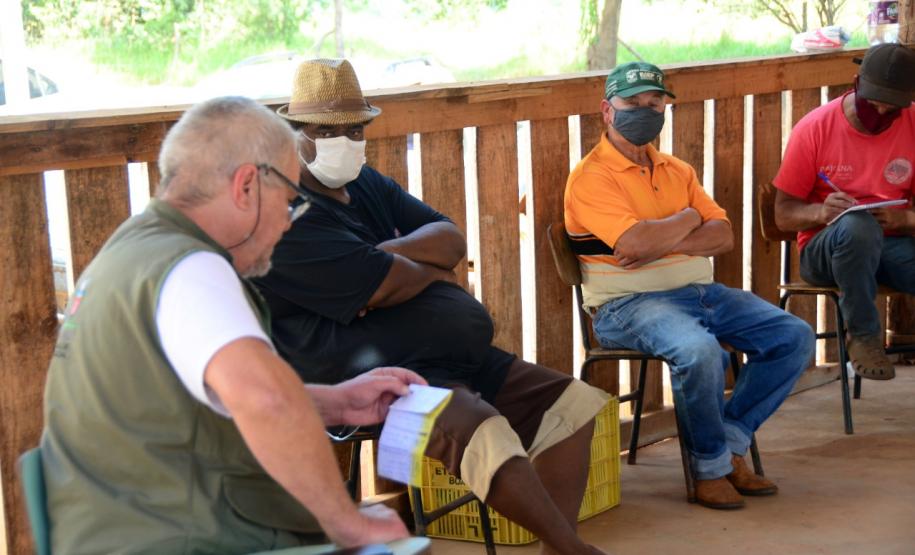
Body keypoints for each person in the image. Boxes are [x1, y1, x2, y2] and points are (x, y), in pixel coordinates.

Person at [40, 96, 427, 554]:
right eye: (289, 203)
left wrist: (337, 402)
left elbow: (206, 402)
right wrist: (348, 524)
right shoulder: (192, 269)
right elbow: (265, 401)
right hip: (174, 538)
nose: (288, 225)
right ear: (246, 187)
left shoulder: (135, 251)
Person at [253, 58, 609, 555]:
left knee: (572, 405)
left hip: (440, 356)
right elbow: (381, 287)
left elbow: (449, 238)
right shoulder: (288, 213)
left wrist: (385, 260)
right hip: (364, 379)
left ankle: (557, 547)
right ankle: (571, 549)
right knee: (481, 430)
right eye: (327, 129)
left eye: (355, 128)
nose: (347, 139)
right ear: (295, 134)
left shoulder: (366, 184)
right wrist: (428, 273)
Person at [563, 61, 816, 510]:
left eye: (654, 102)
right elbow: (633, 243)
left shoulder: (677, 169)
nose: (645, 110)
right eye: (632, 103)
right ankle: (710, 470)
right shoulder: (591, 177)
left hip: (702, 295)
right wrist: (688, 218)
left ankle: (730, 442)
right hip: (627, 304)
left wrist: (661, 235)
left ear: (664, 107)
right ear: (607, 111)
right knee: (700, 352)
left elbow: (724, 236)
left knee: (792, 337)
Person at [773, 43, 915, 381]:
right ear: (855, 83)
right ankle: (864, 337)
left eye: (891, 108)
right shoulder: (815, 128)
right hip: (827, 248)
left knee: (868, 232)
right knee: (857, 228)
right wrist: (821, 212)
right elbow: (783, 215)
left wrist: (907, 219)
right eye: (874, 103)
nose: (880, 113)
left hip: (892, 244)